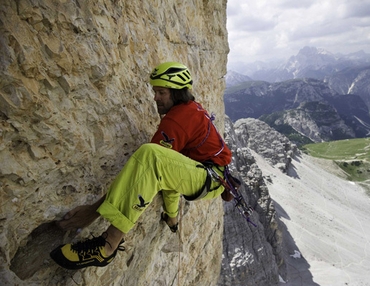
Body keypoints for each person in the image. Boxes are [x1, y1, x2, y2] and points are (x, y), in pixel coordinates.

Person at [50, 62, 233, 270]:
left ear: (176, 93)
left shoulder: (177, 121)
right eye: (155, 91)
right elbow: (169, 174)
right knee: (158, 159)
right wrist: (171, 217)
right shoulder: (189, 109)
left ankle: (108, 245)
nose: (155, 97)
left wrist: (92, 212)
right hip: (209, 176)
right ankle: (167, 219)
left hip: (209, 177)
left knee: (149, 154)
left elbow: (148, 169)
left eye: (161, 92)